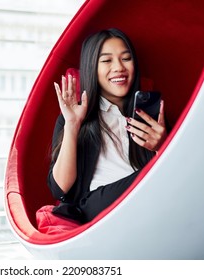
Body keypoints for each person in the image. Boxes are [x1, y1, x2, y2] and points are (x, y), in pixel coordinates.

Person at [48, 28, 168, 223]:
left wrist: (161, 148)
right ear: (92, 68)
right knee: (152, 179)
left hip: (146, 201)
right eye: (106, 61)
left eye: (126, 58)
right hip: (98, 204)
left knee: (158, 180)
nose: (119, 67)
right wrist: (72, 124)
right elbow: (60, 188)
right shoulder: (74, 119)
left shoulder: (152, 118)